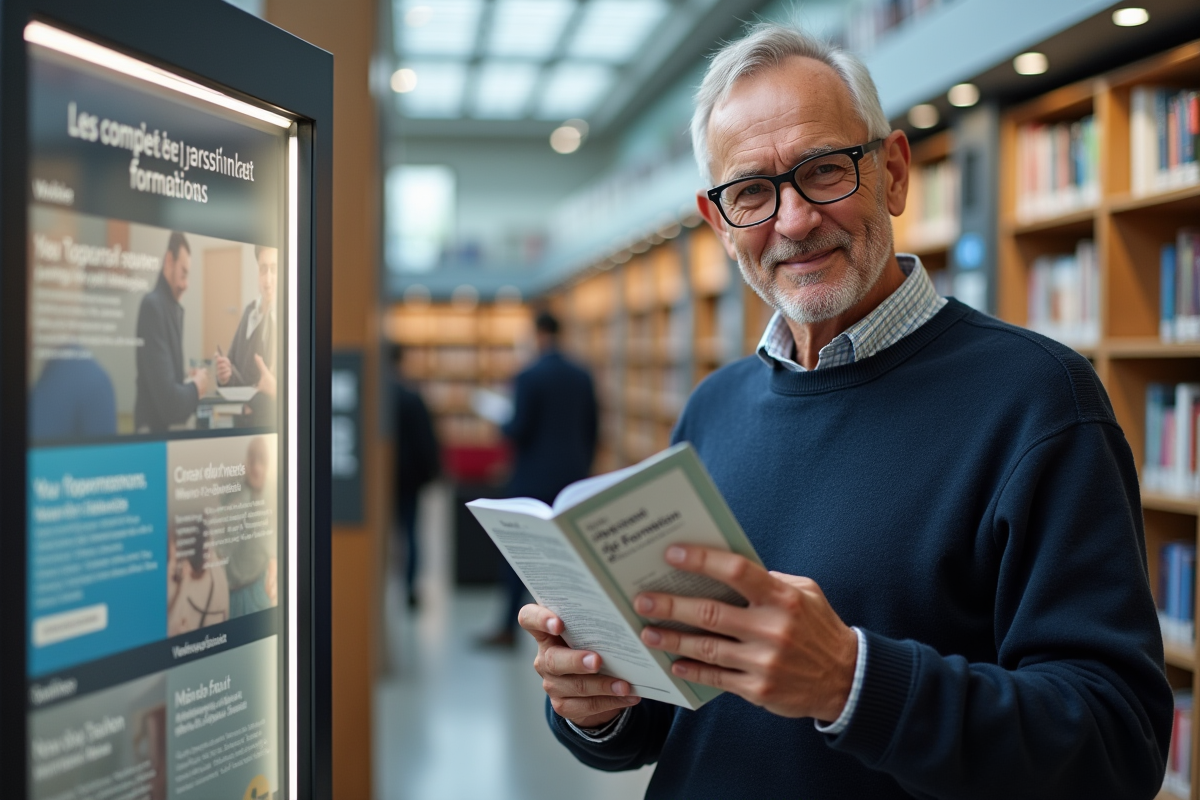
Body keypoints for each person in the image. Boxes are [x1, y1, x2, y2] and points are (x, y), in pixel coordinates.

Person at [521, 24, 1172, 799]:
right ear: (718, 222)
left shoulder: (1039, 401)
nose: (792, 222)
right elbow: (681, 713)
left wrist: (852, 682)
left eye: (824, 171)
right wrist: (599, 704)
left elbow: (1116, 742)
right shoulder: (714, 406)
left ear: (893, 172)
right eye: (752, 192)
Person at [480, 310, 598, 647]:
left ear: (537, 334)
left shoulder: (528, 375)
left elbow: (518, 429)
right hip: (573, 476)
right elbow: (593, 428)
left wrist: (499, 423)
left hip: (532, 478)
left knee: (521, 551)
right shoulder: (582, 374)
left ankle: (507, 627)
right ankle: (577, 632)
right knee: (570, 555)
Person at [134, 232, 208, 432]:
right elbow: (168, 402)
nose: (186, 284)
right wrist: (196, 387)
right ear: (169, 260)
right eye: (183, 274)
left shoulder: (169, 308)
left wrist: (185, 379)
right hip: (153, 437)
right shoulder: (153, 307)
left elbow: (161, 376)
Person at [392, 344, 440, 609]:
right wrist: (431, 472)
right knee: (410, 532)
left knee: (388, 534)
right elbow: (426, 441)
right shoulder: (411, 396)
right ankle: (410, 588)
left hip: (384, 481)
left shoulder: (378, 395)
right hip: (409, 477)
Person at [217, 436, 278, 618]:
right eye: (252, 458)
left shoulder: (274, 496)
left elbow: (275, 551)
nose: (256, 467)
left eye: (262, 460)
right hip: (231, 592)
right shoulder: (236, 489)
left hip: (256, 589)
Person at [214, 245, 278, 404]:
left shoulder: (292, 319)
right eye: (263, 269)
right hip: (245, 422)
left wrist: (276, 390)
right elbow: (233, 368)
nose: (268, 280)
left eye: (274, 269)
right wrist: (224, 376)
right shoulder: (250, 313)